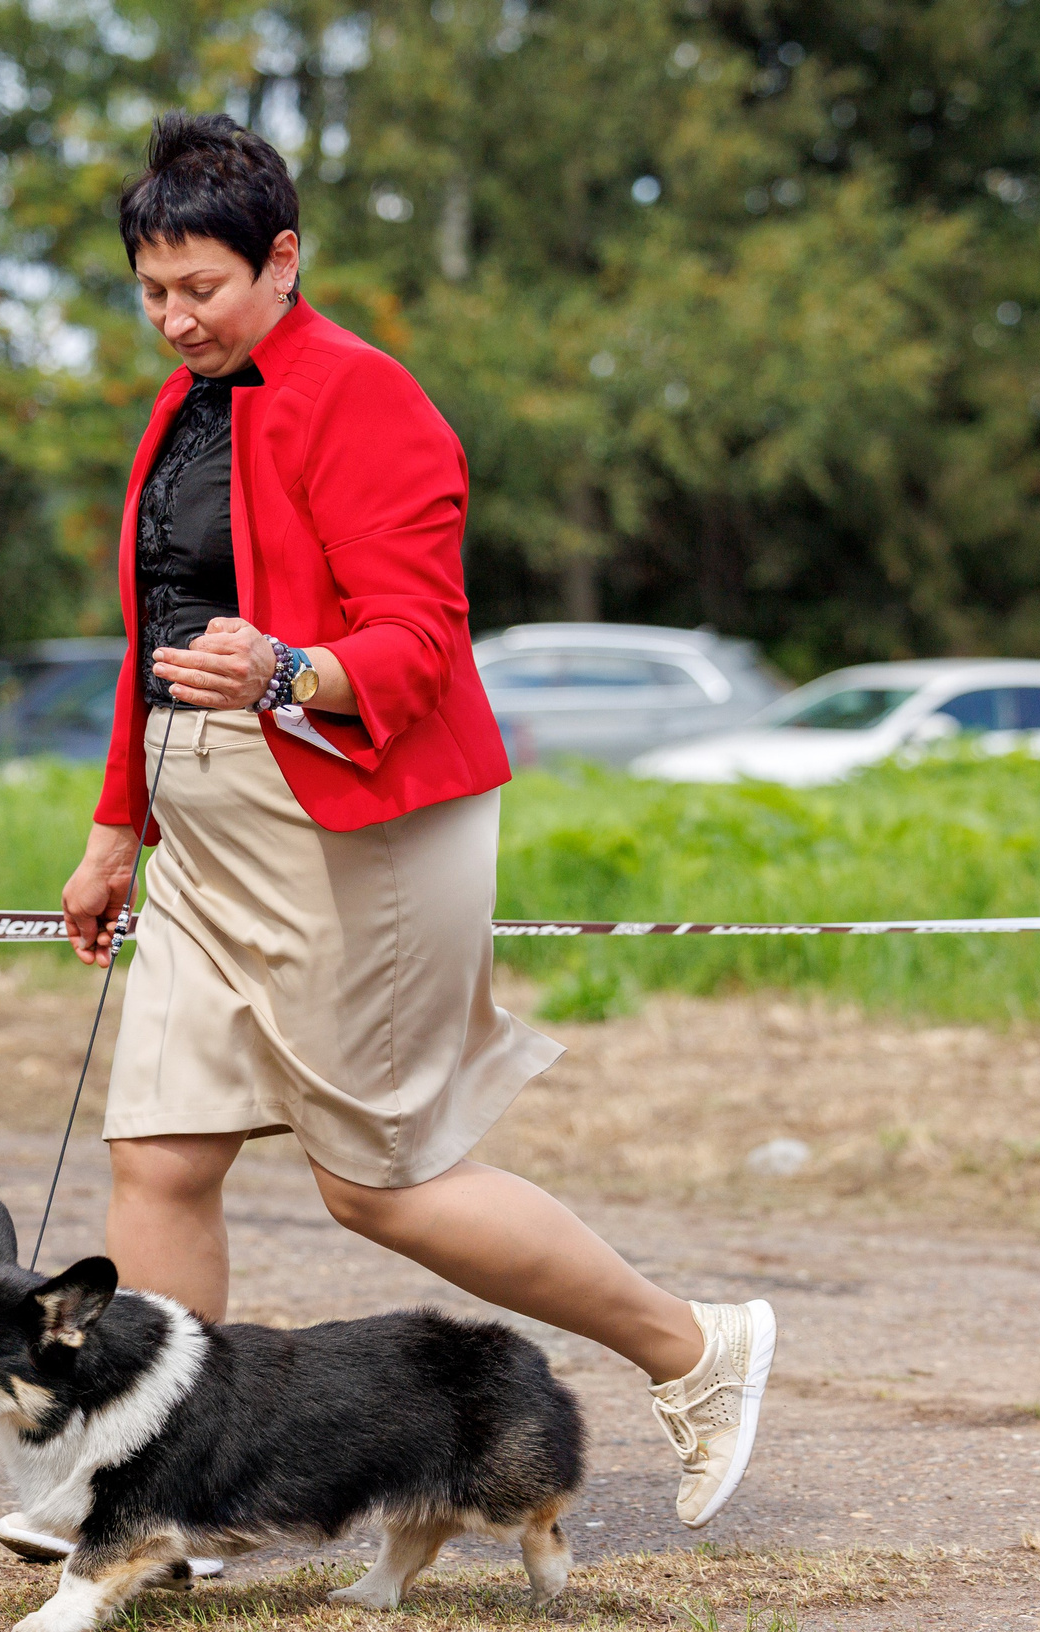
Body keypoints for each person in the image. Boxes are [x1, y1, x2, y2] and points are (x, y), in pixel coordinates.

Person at [50, 113, 773, 1540]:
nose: (175, 318)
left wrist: (286, 671)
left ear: (283, 261)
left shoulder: (366, 398)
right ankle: (159, 1495)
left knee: (380, 1187)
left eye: (201, 287)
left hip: (357, 825)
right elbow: (158, 639)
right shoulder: (186, 406)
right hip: (202, 832)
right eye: (152, 291)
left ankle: (696, 1349)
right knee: (163, 1152)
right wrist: (113, 831)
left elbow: (422, 642)